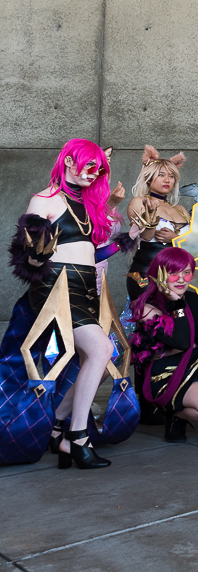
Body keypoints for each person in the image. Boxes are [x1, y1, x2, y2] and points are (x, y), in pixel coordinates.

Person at [8, 139, 131, 469]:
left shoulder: (87, 205)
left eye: (99, 169)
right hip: (56, 287)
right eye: (89, 165)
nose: (94, 173)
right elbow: (27, 255)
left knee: (102, 358)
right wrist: (34, 256)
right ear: (68, 161)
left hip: (86, 287)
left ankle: (58, 426)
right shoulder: (44, 199)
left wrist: (128, 239)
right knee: (102, 350)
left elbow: (93, 253)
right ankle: (77, 438)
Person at [130, 247, 198, 448]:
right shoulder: (147, 308)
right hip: (168, 375)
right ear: (158, 275)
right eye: (173, 273)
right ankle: (176, 416)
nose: (181, 279)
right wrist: (176, 304)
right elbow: (182, 342)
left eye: (187, 272)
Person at [124, 146, 189, 300]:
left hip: (178, 275)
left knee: (178, 313)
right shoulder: (139, 201)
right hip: (145, 272)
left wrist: (175, 239)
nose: (167, 180)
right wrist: (151, 216)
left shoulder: (181, 210)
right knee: (149, 312)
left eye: (171, 176)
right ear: (148, 178)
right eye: (161, 175)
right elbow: (146, 236)